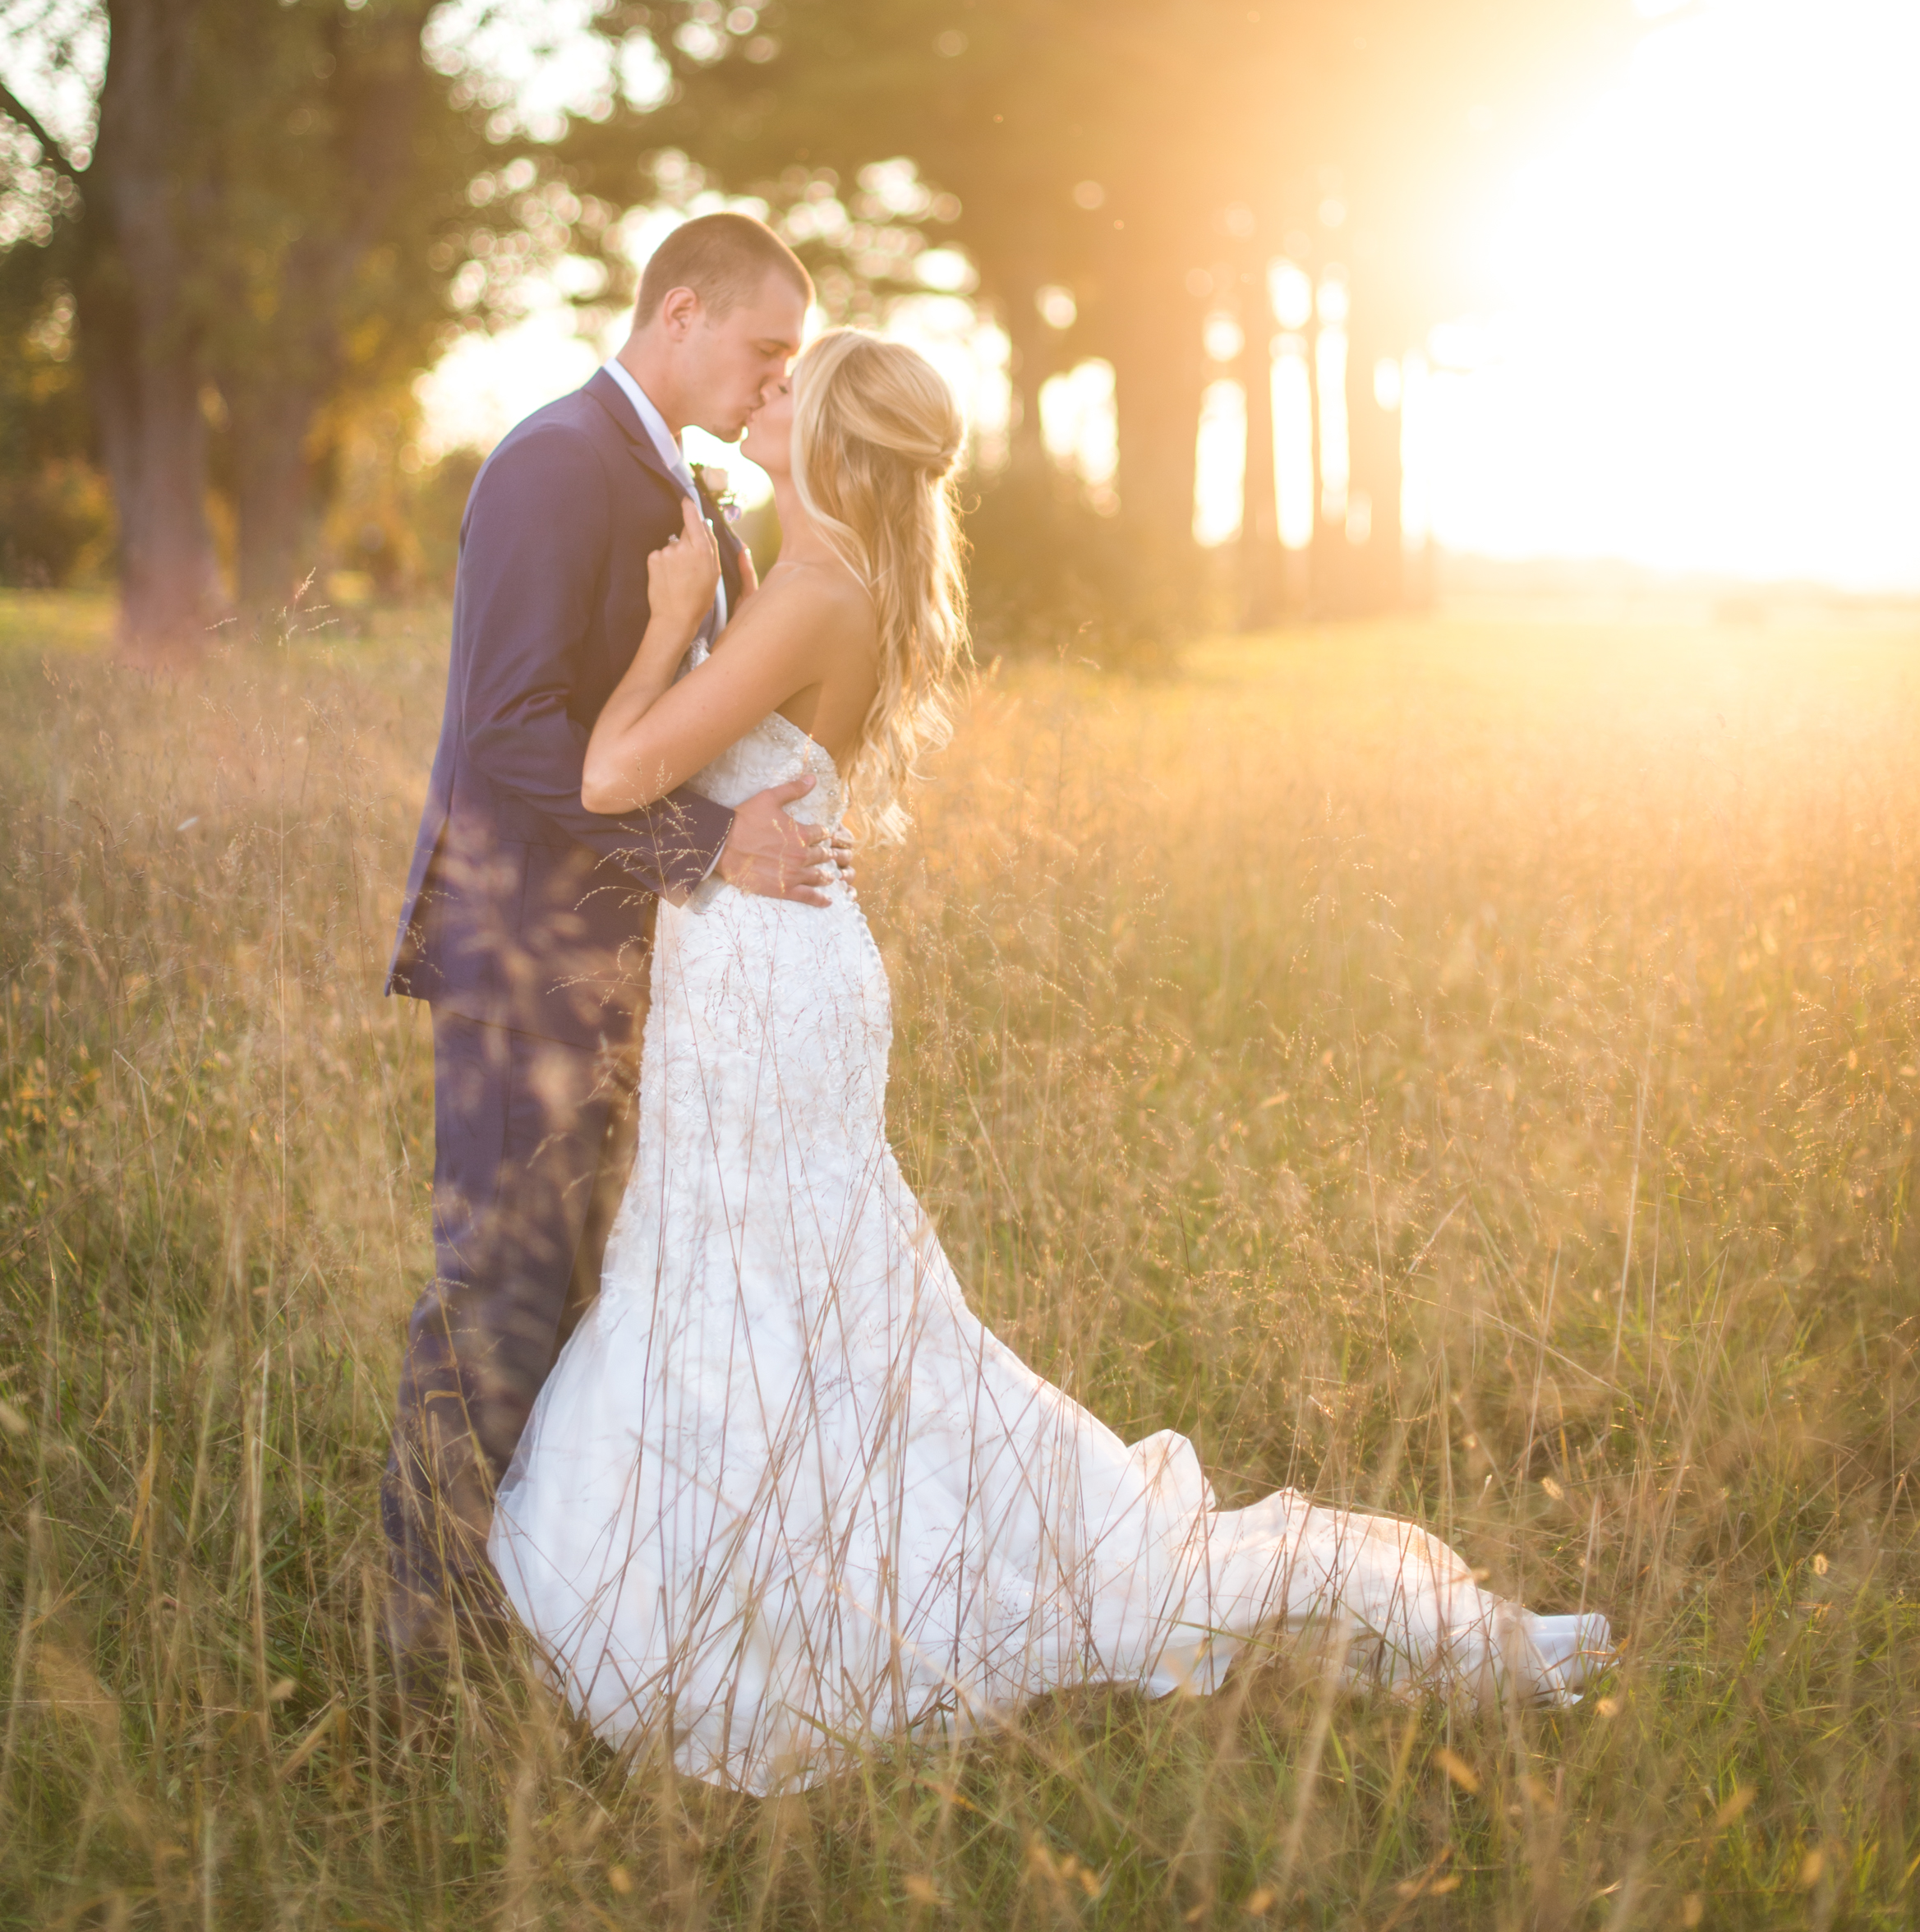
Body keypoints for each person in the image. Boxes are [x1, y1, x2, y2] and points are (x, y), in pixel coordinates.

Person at [490, 327, 1613, 1791]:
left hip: (770, 975)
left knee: (767, 1274)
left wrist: (665, 623)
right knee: (791, 1278)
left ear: (828, 434)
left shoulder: (807, 587)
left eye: (789, 384)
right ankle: (782, 1524)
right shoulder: (825, 577)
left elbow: (611, 773)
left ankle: (786, 1571)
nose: (763, 394)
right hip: (771, 960)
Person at [381, 211, 846, 1686]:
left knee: (566, 1290)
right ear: (683, 311)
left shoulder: (670, 477)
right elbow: (514, 733)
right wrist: (708, 856)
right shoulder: (554, 462)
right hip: (525, 959)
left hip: (619, 964)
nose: (779, 380)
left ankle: (506, 1620)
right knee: (500, 1291)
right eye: (768, 347)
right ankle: (412, 1652)